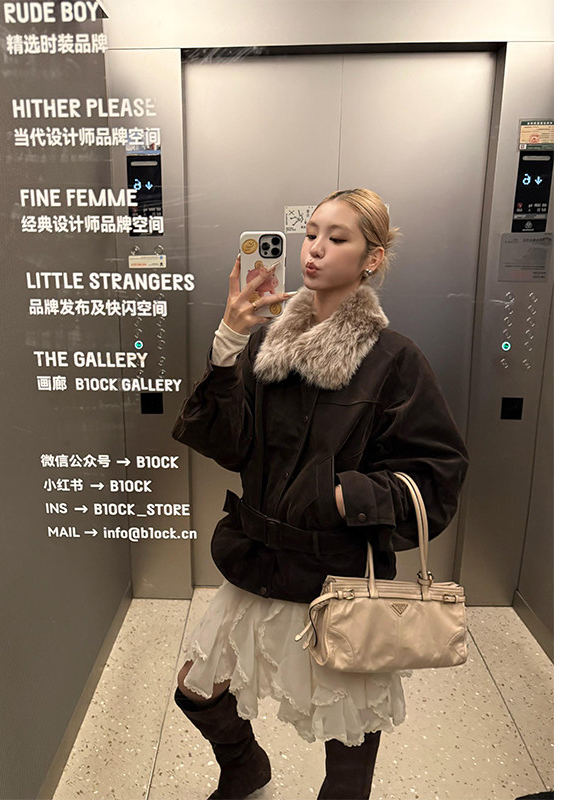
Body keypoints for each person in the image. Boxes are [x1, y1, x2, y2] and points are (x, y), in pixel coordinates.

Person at [171, 188, 469, 799]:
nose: (315, 249)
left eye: (337, 238)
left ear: (372, 259)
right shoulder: (264, 345)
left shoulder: (394, 359)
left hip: (337, 575)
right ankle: (245, 769)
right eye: (311, 234)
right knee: (196, 687)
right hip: (258, 561)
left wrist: (341, 497)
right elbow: (228, 445)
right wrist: (227, 344)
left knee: (349, 732)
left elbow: (437, 476)